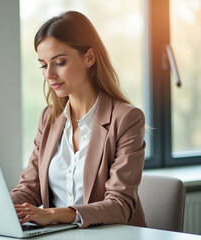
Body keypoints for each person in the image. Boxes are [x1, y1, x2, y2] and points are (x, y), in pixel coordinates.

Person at [10, 11, 147, 229]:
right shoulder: (49, 118)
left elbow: (120, 205)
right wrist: (1, 207)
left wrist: (53, 214)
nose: (49, 75)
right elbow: (29, 188)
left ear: (89, 57)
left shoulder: (126, 118)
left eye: (59, 62)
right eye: (43, 65)